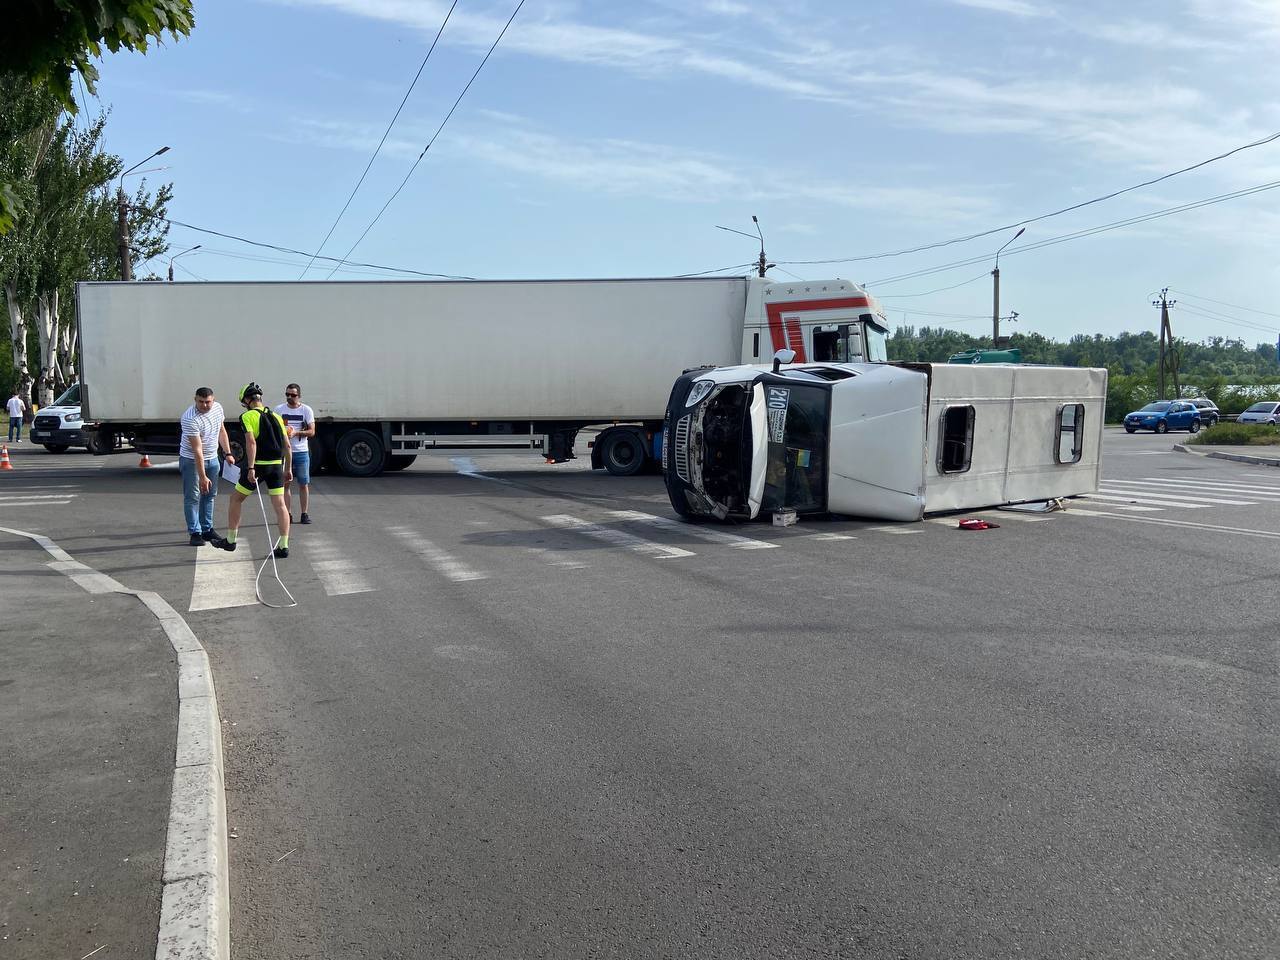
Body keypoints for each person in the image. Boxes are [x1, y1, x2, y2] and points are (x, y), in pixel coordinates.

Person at [212, 383, 293, 558]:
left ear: (247, 401)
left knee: (236, 499)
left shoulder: (247, 416)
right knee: (280, 504)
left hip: (259, 466)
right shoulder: (277, 416)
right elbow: (287, 445)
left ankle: (231, 540)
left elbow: (251, 442)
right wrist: (288, 468)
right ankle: (284, 545)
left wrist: (250, 468)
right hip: (277, 466)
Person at [179, 387, 234, 546]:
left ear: (213, 400)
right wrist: (202, 476)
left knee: (210, 494)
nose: (204, 405)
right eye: (200, 402)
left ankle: (207, 529)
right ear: (195, 400)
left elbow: (222, 431)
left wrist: (228, 453)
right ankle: (195, 532)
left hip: (212, 457)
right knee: (193, 496)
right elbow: (197, 449)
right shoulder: (190, 418)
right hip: (191, 459)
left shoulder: (218, 408)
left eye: (207, 402)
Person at [275, 382, 315, 524]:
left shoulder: (306, 410)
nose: (289, 397)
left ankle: (304, 513)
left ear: (299, 396)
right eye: (287, 394)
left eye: (293, 395)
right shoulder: (279, 409)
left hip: (301, 451)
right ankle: (288, 514)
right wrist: (283, 434)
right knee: (286, 483)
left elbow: (312, 431)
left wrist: (296, 432)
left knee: (303, 483)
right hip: (285, 452)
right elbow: (274, 430)